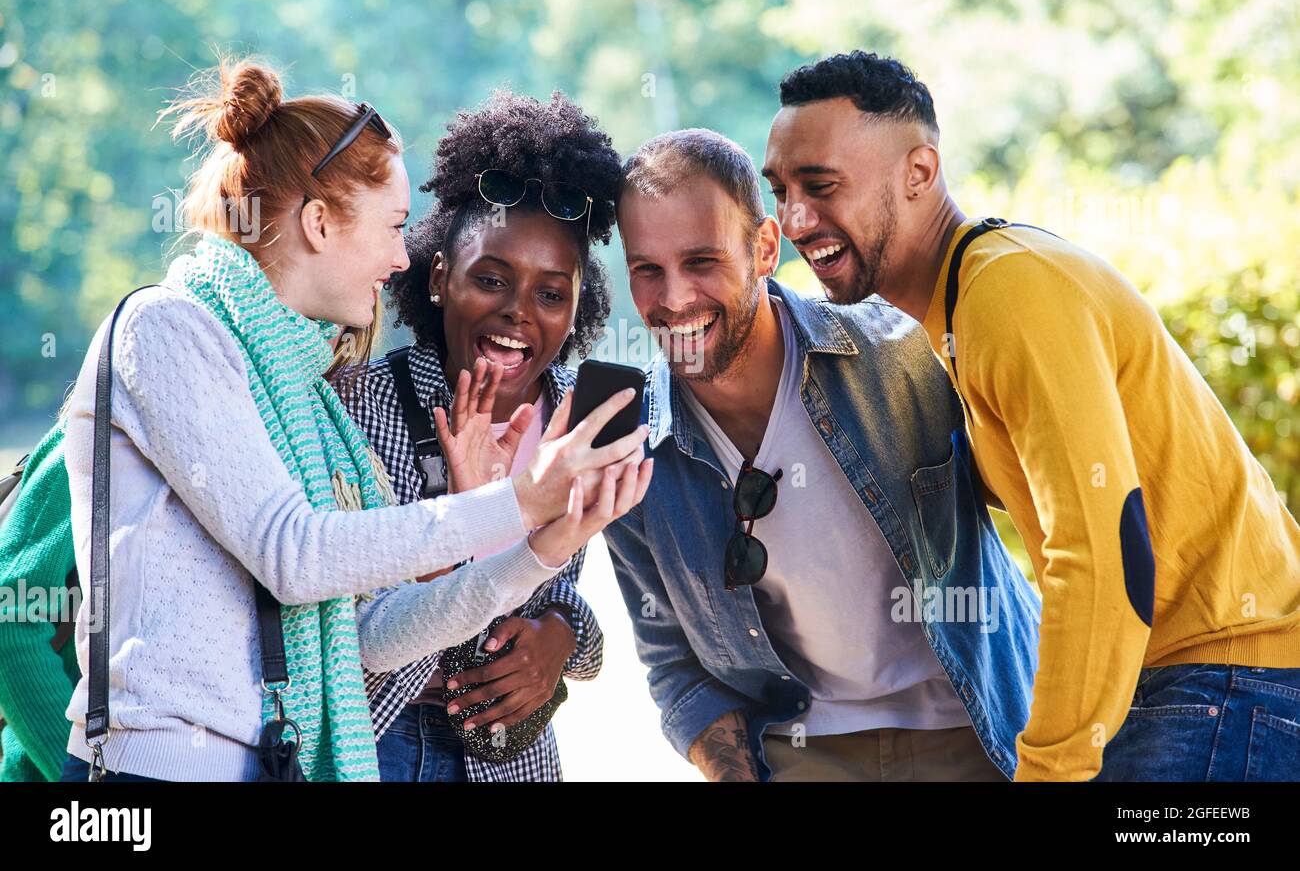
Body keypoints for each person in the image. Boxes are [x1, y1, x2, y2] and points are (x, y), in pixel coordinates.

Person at [55, 58, 651, 782]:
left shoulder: (308, 393)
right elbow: (294, 552)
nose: (403, 256)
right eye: (395, 226)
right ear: (318, 223)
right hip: (156, 769)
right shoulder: (169, 328)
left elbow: (364, 633)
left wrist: (543, 548)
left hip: (273, 763)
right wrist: (510, 502)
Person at [762, 49, 1300, 781]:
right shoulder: (957, 309)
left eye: (821, 186)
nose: (795, 218)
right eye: (781, 190)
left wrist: (1048, 770)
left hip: (1227, 681)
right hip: (1196, 684)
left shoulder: (1007, 290)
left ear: (920, 173)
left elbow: (1104, 549)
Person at [603, 127, 1040, 782]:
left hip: (978, 727)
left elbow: (1054, 510)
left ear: (765, 248)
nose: (673, 298)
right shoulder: (630, 452)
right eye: (647, 269)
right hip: (804, 752)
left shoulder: (904, 352)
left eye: (701, 262)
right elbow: (675, 666)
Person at [339, 90, 627, 781]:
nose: (517, 314)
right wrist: (470, 517)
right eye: (491, 279)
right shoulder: (361, 403)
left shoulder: (581, 421)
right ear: (440, 277)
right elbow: (345, 625)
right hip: (388, 744)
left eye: (551, 293)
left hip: (511, 762)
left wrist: (564, 637)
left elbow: (557, 593)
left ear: (577, 303)